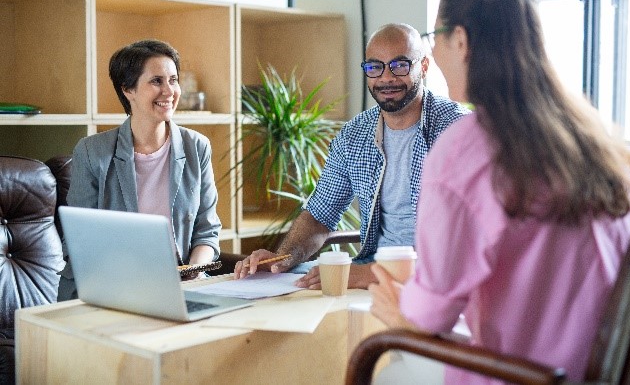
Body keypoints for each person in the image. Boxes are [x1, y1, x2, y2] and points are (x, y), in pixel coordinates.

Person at [368, 0, 630, 383]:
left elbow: (430, 315)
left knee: (389, 369)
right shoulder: (592, 142)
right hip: (598, 373)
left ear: (460, 40)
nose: (435, 52)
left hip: (525, 375)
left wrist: (397, 309)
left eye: (435, 37)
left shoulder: (465, 148)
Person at [234, 23, 470, 289]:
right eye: (374, 67)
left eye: (400, 65)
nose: (386, 78)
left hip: (432, 282)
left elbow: (466, 246)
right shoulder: (354, 135)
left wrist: (370, 273)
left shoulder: (458, 130)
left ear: (424, 67)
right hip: (368, 278)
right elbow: (319, 215)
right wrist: (282, 259)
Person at [58, 39, 221, 301]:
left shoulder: (197, 147)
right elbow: (79, 241)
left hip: (181, 287)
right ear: (128, 90)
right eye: (156, 81)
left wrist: (196, 271)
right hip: (107, 287)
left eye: (173, 80)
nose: (169, 91)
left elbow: (207, 231)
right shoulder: (92, 151)